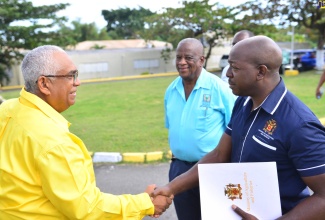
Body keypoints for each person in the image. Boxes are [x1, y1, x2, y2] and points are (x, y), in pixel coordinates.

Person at [154, 36, 325, 219]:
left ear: (261, 72)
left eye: (234, 68)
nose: (227, 74)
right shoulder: (243, 102)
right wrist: (170, 188)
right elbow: (219, 154)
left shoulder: (300, 125)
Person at [0, 45, 173, 220]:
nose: (77, 82)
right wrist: (145, 203)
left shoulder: (7, 109)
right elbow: (87, 208)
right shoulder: (53, 142)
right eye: (70, 76)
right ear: (44, 83)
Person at [164, 38, 236, 220]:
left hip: (212, 170)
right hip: (179, 170)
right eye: (178, 57)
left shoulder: (219, 89)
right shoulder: (171, 91)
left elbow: (236, 131)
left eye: (188, 57)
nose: (181, 62)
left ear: (201, 60)